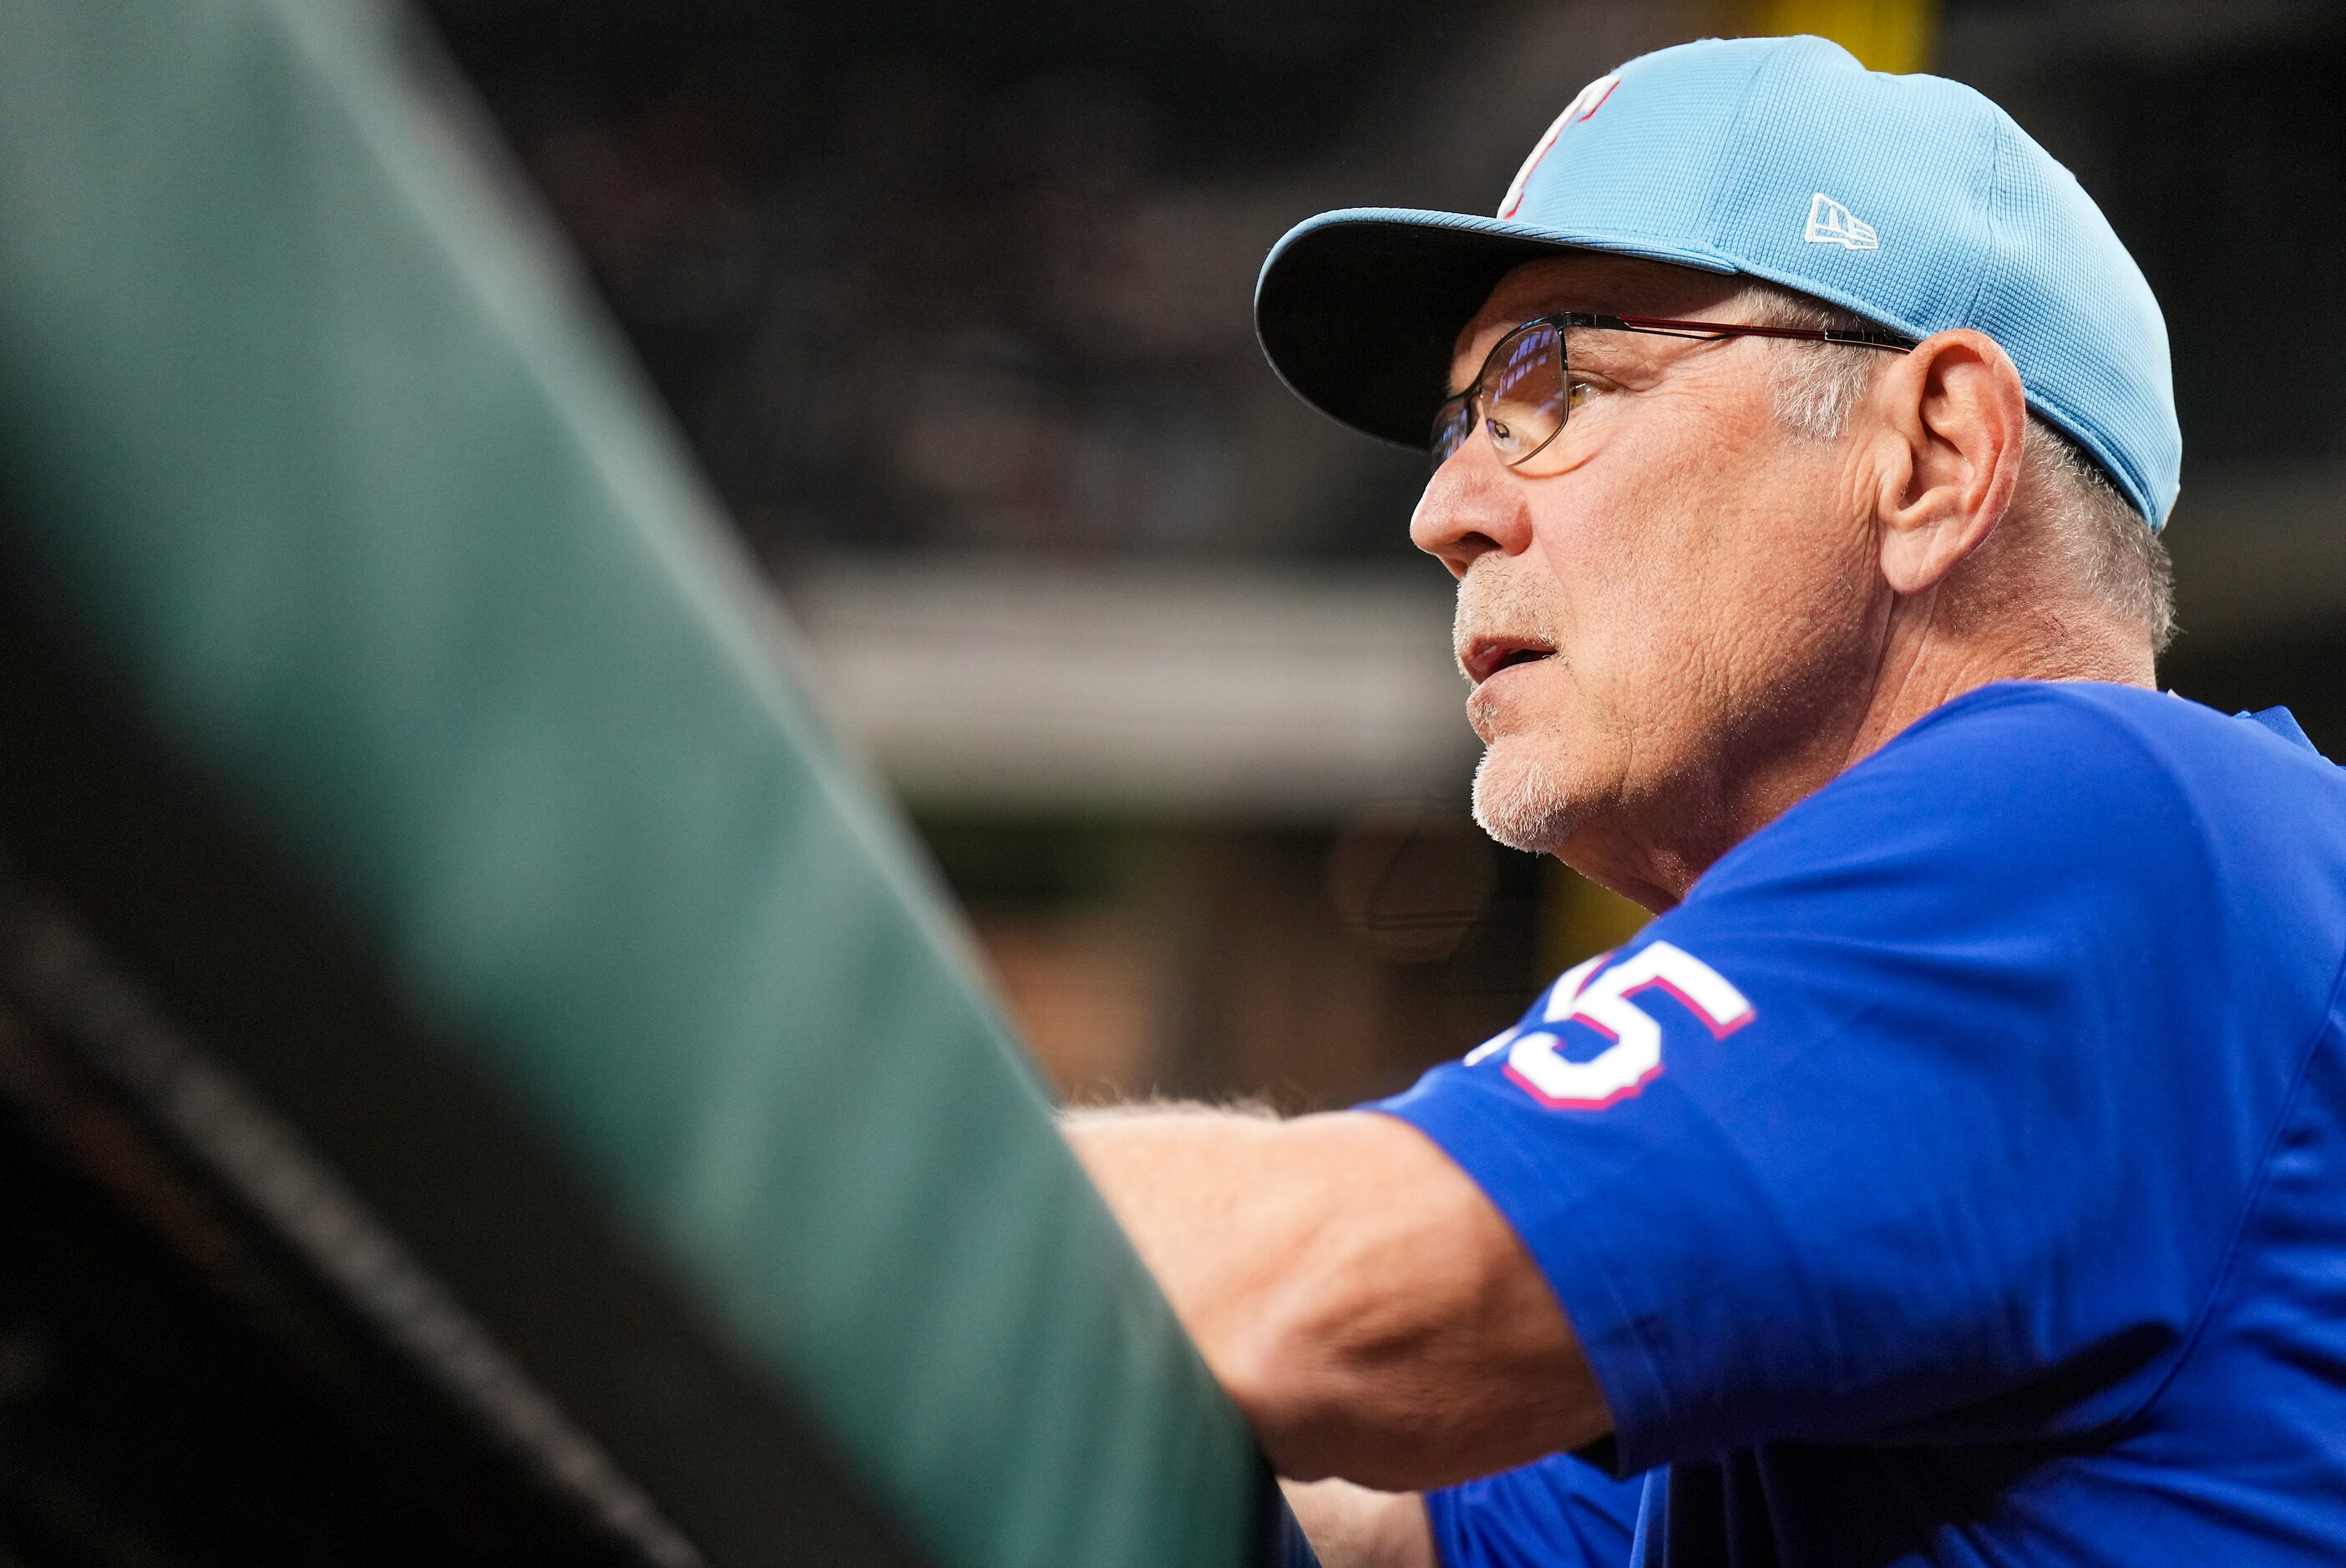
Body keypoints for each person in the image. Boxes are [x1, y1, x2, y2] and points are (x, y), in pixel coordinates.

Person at [1063, 33, 2346, 1568]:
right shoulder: (1956, 1114)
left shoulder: (2114, 824)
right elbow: (1381, 1517)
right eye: (1457, 420)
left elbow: (1314, 1292)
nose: (1444, 510)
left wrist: (776, 1123)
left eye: (1555, 378)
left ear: (1934, 453)